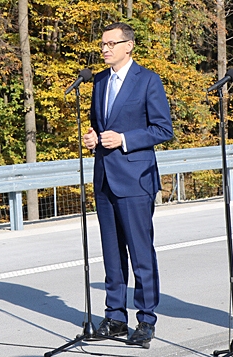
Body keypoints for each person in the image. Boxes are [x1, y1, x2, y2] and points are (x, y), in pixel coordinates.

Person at [82, 22, 174, 346]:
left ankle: (146, 321)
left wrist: (123, 139)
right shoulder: (99, 81)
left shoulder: (147, 80)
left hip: (136, 179)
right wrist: (94, 137)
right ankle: (115, 317)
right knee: (111, 254)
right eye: (102, 44)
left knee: (140, 253)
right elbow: (98, 124)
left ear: (128, 46)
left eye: (111, 43)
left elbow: (163, 129)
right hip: (104, 176)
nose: (105, 49)